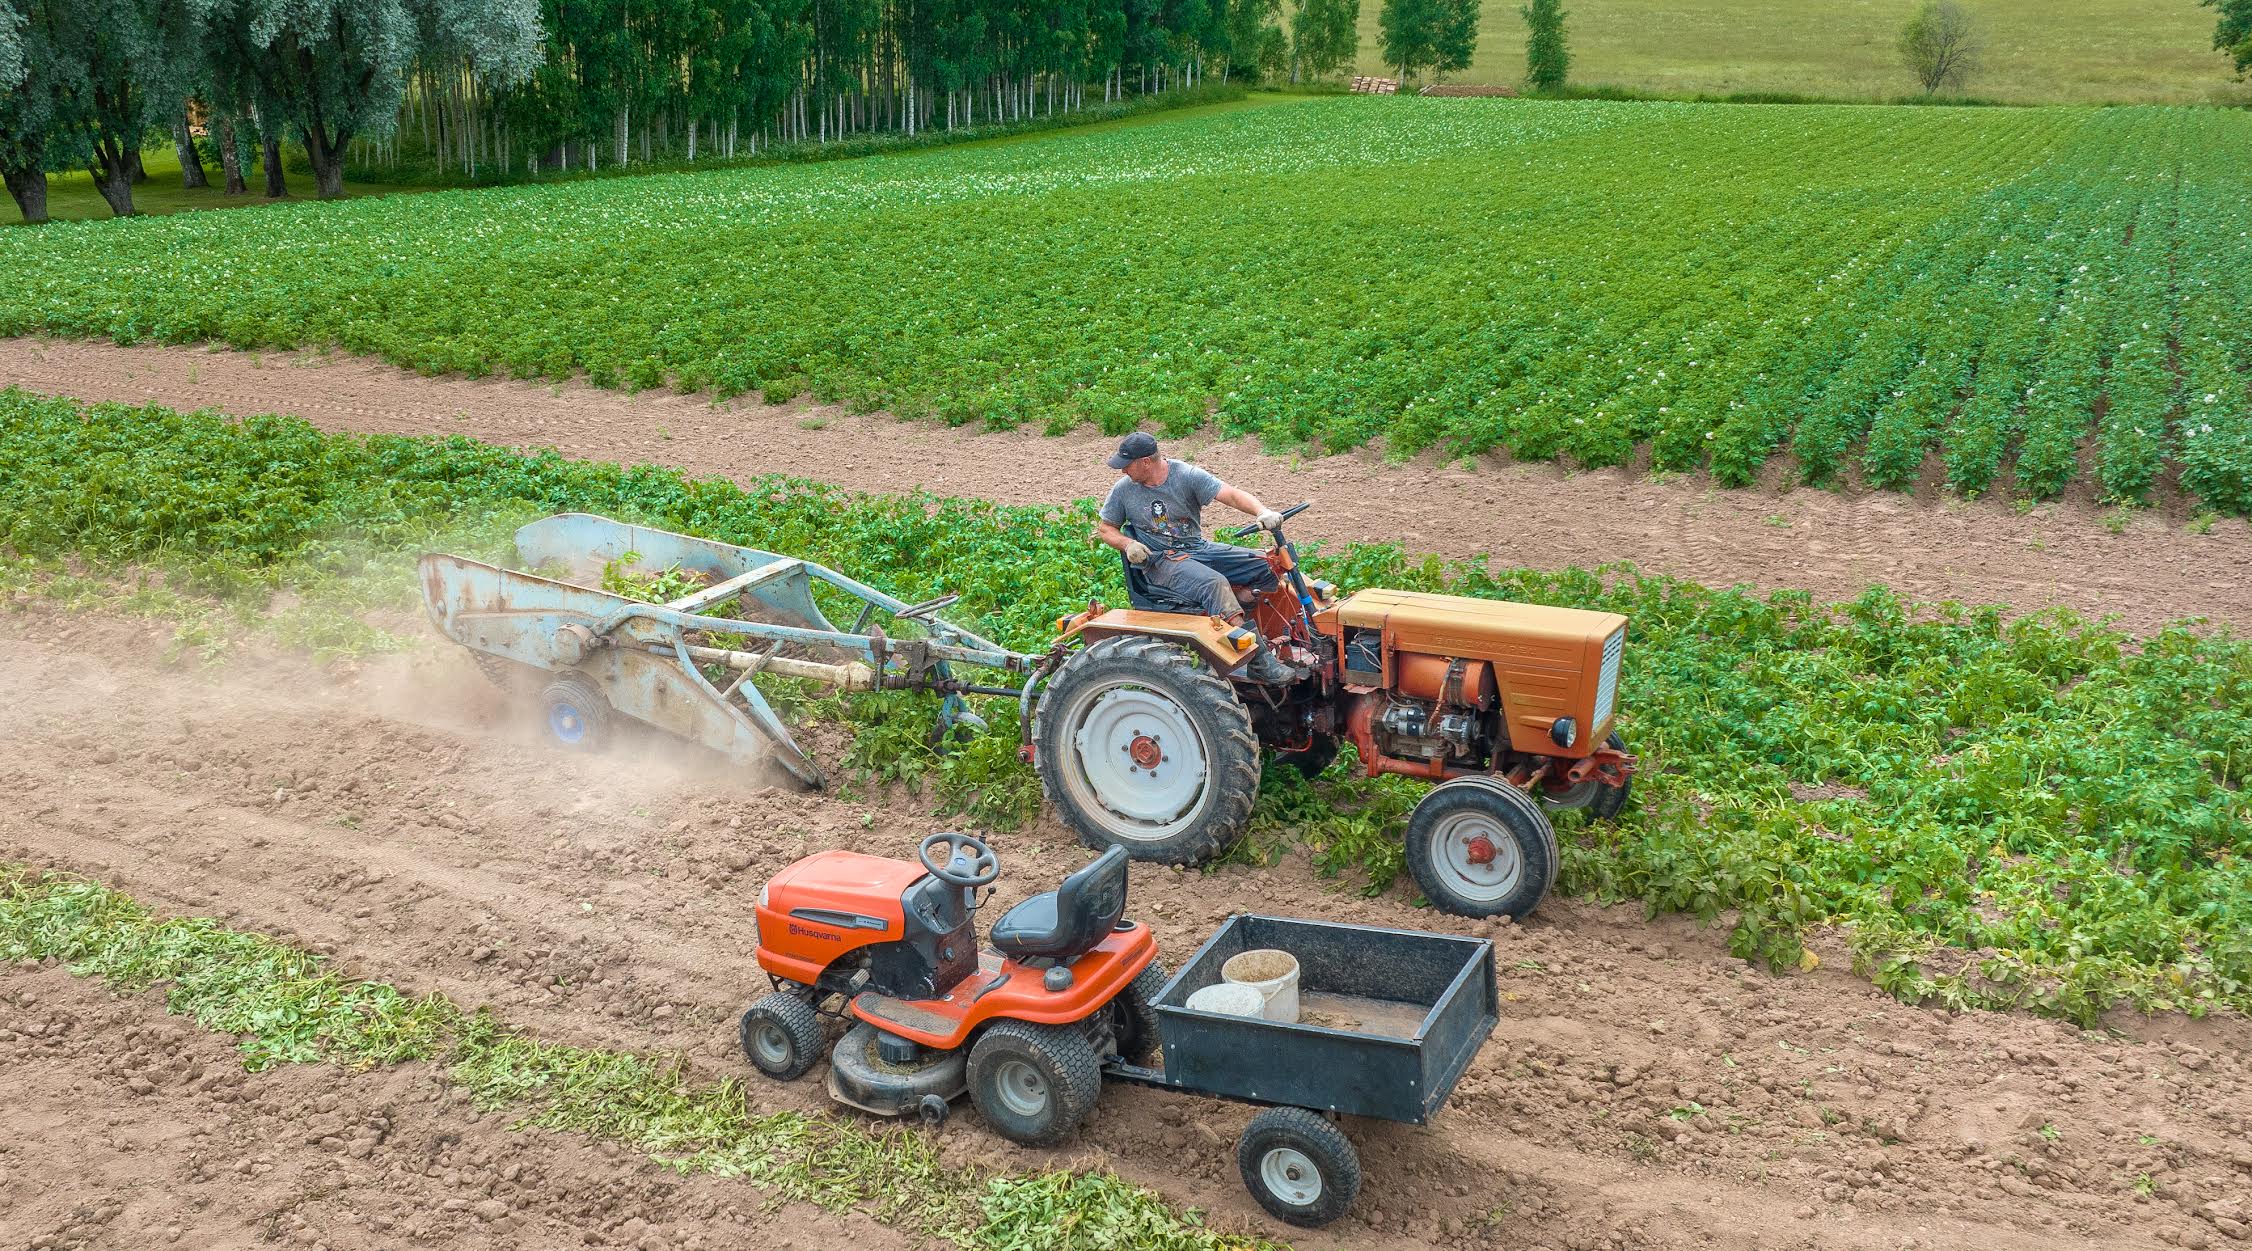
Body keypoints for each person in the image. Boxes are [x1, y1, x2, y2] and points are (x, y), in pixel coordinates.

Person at [1093, 432, 1300, 685]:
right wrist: (1128, 544)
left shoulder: (1186, 476)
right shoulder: (1124, 490)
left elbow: (1231, 494)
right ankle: (1257, 660)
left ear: (1146, 461)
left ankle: (1241, 617)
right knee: (1213, 584)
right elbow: (1106, 529)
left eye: (1127, 464)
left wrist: (1262, 511)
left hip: (1197, 548)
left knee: (1264, 565)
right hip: (1161, 560)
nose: (1123, 470)